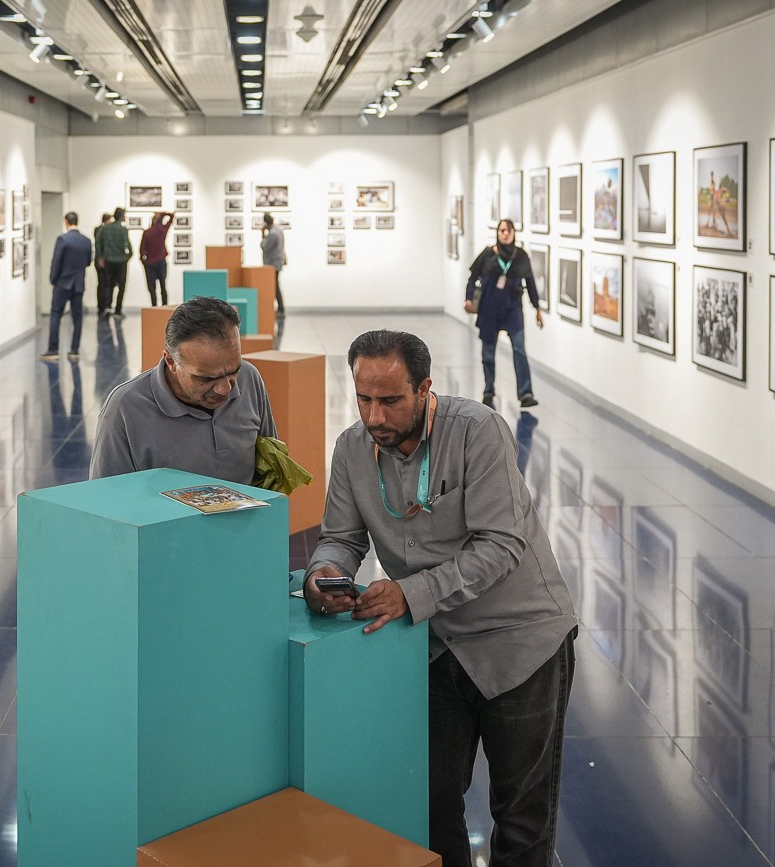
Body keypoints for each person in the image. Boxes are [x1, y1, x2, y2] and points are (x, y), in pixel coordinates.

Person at [302, 330, 577, 867]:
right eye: (363, 399)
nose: (374, 416)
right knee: (427, 807)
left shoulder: (478, 432)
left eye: (390, 400)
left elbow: (501, 545)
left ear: (425, 388)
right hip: (433, 646)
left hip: (520, 645)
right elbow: (341, 537)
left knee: (522, 820)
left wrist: (409, 593)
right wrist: (324, 572)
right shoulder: (352, 449)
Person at [90, 296, 276, 484]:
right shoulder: (125, 408)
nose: (224, 389)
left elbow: (272, 470)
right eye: (206, 378)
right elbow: (107, 496)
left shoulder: (249, 377)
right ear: (171, 361)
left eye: (234, 371)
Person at [465, 219, 544, 408]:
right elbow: (472, 277)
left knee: (519, 350)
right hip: (489, 310)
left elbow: (530, 283)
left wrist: (537, 308)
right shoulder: (487, 254)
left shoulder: (520, 256)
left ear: (514, 233)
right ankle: (488, 390)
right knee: (488, 353)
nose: (505, 234)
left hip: (512, 310)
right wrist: (468, 298)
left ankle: (525, 393)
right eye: (502, 230)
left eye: (508, 230)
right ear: (497, 233)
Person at [40, 211, 93, 362]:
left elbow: (56, 261)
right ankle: (74, 350)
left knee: (56, 314)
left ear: (66, 222)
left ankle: (53, 350)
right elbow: (88, 261)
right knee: (77, 317)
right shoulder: (86, 240)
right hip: (79, 284)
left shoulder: (63, 239)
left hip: (63, 283)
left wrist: (53, 279)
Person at [96, 207, 132, 317]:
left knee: (108, 285)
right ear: (121, 216)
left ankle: (107, 307)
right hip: (121, 261)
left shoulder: (105, 228)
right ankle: (118, 309)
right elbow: (128, 245)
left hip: (109, 260)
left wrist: (101, 257)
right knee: (122, 286)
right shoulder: (123, 229)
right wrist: (128, 256)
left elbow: (98, 242)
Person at [140, 211, 173, 306]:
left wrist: (144, 262)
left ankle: (154, 307)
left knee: (152, 288)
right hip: (161, 261)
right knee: (163, 286)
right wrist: (163, 213)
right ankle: (165, 306)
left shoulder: (147, 232)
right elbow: (171, 217)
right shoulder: (163, 230)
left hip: (150, 263)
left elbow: (142, 250)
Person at [260, 213, 286, 317]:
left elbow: (265, 247)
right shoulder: (278, 230)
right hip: (277, 262)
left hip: (273, 264)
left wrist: (263, 235)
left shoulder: (272, 234)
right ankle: (280, 308)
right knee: (275, 285)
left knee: (275, 286)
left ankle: (280, 309)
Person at [93, 212, 113, 314]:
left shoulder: (97, 229)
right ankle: (104, 305)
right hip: (103, 260)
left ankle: (102, 305)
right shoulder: (102, 230)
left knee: (102, 283)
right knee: (105, 283)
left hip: (99, 260)